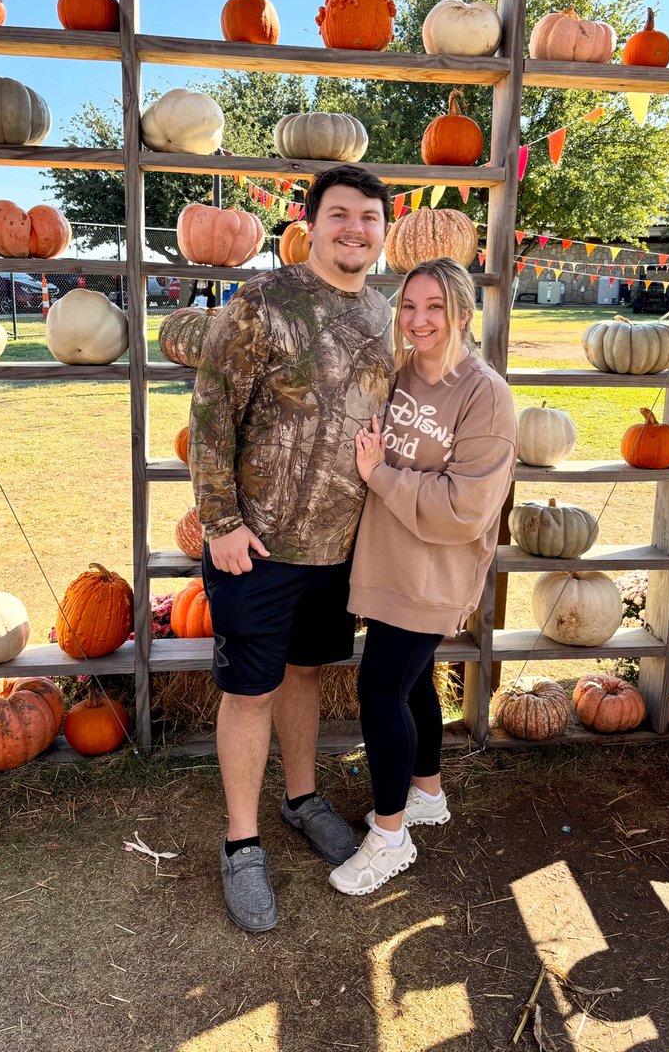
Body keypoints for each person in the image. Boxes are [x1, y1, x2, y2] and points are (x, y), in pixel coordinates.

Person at [189, 164, 394, 932]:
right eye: (339, 214)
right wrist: (220, 522)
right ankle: (242, 844)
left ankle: (302, 799)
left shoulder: (381, 316)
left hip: (340, 547)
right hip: (258, 547)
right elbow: (212, 411)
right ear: (310, 222)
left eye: (368, 217)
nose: (355, 229)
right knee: (249, 690)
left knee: (306, 673)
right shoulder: (261, 303)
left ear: (382, 229)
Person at [328, 257, 517, 896]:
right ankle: (427, 793)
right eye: (409, 306)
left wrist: (382, 477)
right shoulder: (399, 376)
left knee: (380, 690)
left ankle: (390, 837)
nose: (418, 320)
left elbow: (467, 506)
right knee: (410, 687)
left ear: (462, 313)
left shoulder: (484, 394)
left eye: (434, 307)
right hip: (386, 560)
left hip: (437, 571)